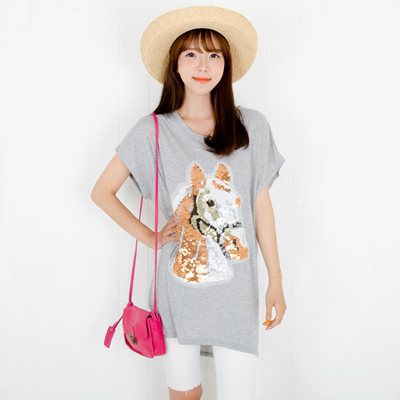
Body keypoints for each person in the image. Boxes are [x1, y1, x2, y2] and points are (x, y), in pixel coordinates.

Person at [91, 5, 287, 400]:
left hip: (237, 296)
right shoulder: (153, 131)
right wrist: (150, 237)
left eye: (214, 55)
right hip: (176, 294)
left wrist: (276, 280)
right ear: (175, 64)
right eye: (192, 54)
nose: (203, 65)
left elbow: (260, 207)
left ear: (225, 65)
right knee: (185, 394)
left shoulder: (252, 127)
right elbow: (101, 192)